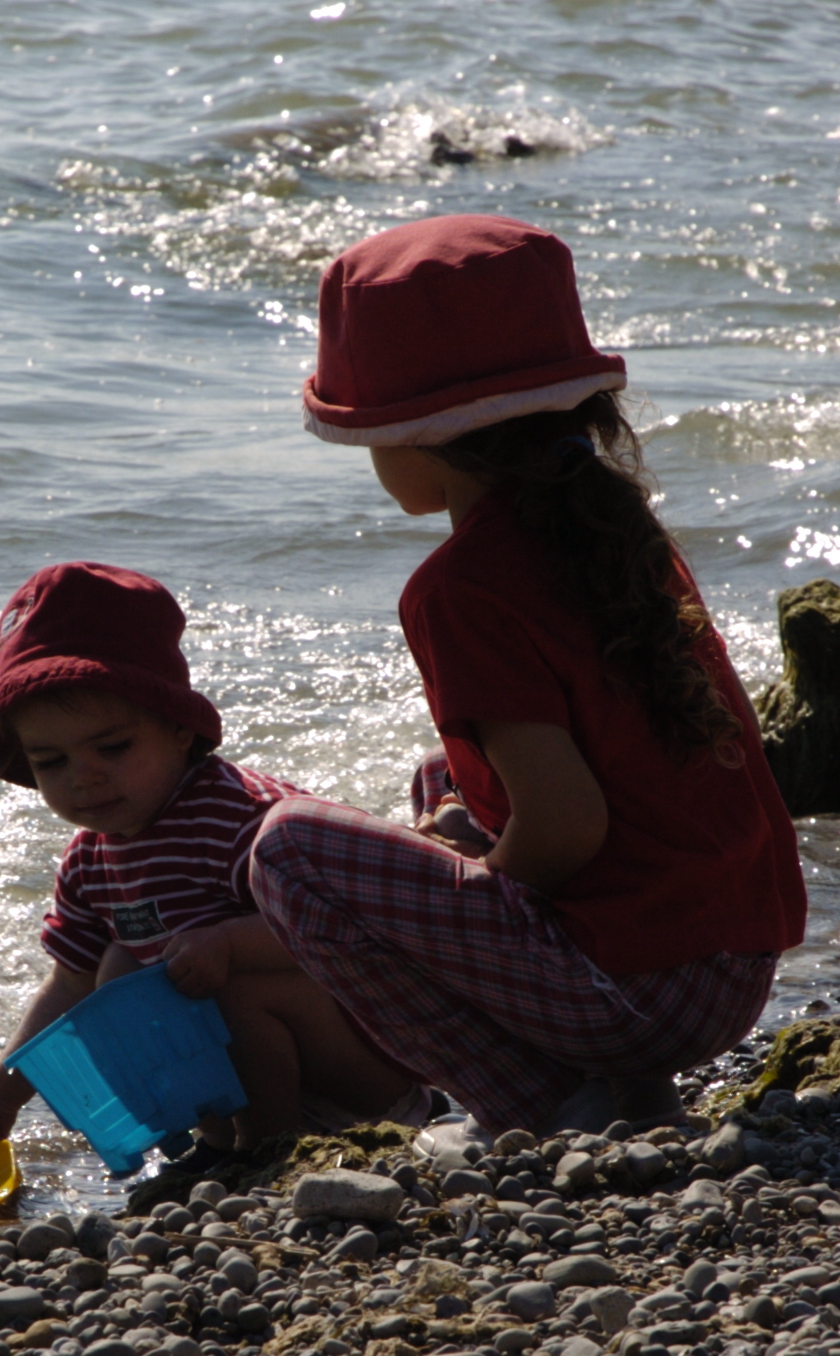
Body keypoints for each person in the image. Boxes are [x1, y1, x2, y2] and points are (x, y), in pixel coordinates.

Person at [249, 213, 807, 1138]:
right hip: (729, 967)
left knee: (288, 851)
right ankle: (633, 1094)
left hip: (637, 993)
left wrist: (480, 869)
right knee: (445, 776)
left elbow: (567, 824)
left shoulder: (461, 588)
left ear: (420, 440)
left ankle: (541, 1106)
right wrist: (472, 843)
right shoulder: (611, 527)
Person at [0, 561, 427, 1156]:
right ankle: (215, 1141)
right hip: (249, 1074)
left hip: (360, 1069)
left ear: (178, 727)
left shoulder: (239, 818)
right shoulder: (89, 863)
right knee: (114, 971)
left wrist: (229, 944)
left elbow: (351, 928)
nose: (83, 777)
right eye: (51, 762)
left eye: (113, 747)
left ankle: (268, 1155)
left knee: (226, 989)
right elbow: (69, 983)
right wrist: (4, 1089)